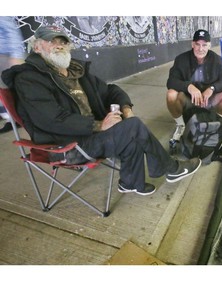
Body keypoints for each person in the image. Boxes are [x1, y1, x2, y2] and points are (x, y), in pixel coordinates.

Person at [1, 25, 201, 196]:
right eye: (51, 41)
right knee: (133, 128)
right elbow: (51, 120)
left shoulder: (75, 70)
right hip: (65, 145)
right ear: (37, 47)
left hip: (91, 137)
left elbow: (111, 90)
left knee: (130, 127)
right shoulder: (29, 79)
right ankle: (170, 168)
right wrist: (99, 125)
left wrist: (126, 108)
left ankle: (130, 182)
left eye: (62, 41)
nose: (59, 45)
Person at [166, 29, 222, 142]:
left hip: (209, 101)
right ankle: (181, 126)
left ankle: (219, 123)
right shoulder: (181, 59)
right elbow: (171, 81)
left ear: (209, 45)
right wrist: (189, 86)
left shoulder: (216, 59)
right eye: (197, 44)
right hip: (189, 100)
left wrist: (212, 88)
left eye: (204, 45)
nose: (200, 48)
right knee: (171, 94)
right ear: (192, 44)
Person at [0, 16, 25, 133]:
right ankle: (9, 117)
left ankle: (15, 120)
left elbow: (11, 30)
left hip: (5, 54)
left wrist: (16, 55)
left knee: (10, 93)